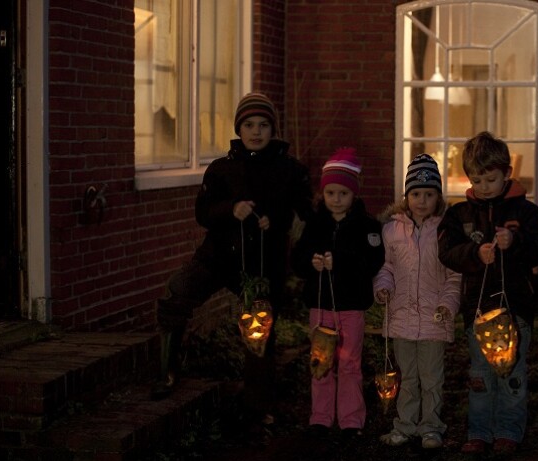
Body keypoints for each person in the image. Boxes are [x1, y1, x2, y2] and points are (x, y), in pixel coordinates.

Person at [151, 93, 313, 427]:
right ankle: (167, 372)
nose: (256, 131)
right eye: (249, 125)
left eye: (263, 125)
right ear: (239, 128)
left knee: (259, 331)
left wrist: (275, 221)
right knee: (175, 294)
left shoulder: (290, 170)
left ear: (272, 129)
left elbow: (303, 213)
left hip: (261, 266)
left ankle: (258, 404)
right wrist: (231, 210)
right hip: (218, 256)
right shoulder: (221, 168)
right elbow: (203, 213)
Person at [437, 131, 538, 455]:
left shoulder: (526, 213)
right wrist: (475, 254)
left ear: (507, 173)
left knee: (512, 372)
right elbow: (446, 251)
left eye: (491, 178)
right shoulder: (459, 215)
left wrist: (514, 244)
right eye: (477, 179)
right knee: (480, 374)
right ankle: (479, 431)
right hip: (477, 309)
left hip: (516, 308)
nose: (484, 186)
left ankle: (508, 431)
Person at [291, 147, 385, 439]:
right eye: (330, 193)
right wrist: (311, 263)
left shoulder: (367, 226)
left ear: (354, 194)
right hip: (321, 307)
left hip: (351, 306)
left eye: (343, 193)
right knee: (321, 361)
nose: (336, 199)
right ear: (323, 193)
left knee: (349, 363)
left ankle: (351, 419)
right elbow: (296, 259)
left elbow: (373, 261)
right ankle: (320, 417)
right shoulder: (314, 224)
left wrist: (340, 262)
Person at [373, 154, 461, 450]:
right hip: (401, 318)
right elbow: (386, 267)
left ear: (438, 196)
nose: (422, 200)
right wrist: (383, 286)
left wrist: (448, 305)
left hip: (434, 320)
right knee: (407, 377)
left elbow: (453, 276)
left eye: (429, 194)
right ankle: (405, 425)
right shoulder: (391, 231)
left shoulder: (445, 231)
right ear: (406, 196)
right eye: (416, 194)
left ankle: (431, 427)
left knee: (431, 379)